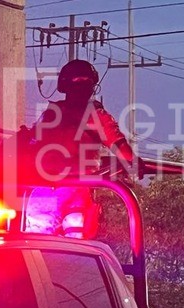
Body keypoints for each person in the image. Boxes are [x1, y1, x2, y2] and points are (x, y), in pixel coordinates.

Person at [22, 60, 137, 239]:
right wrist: (134, 163)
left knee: (38, 245)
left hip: (48, 189)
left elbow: (30, 144)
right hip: (75, 190)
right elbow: (120, 147)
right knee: (76, 248)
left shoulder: (52, 113)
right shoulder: (96, 115)